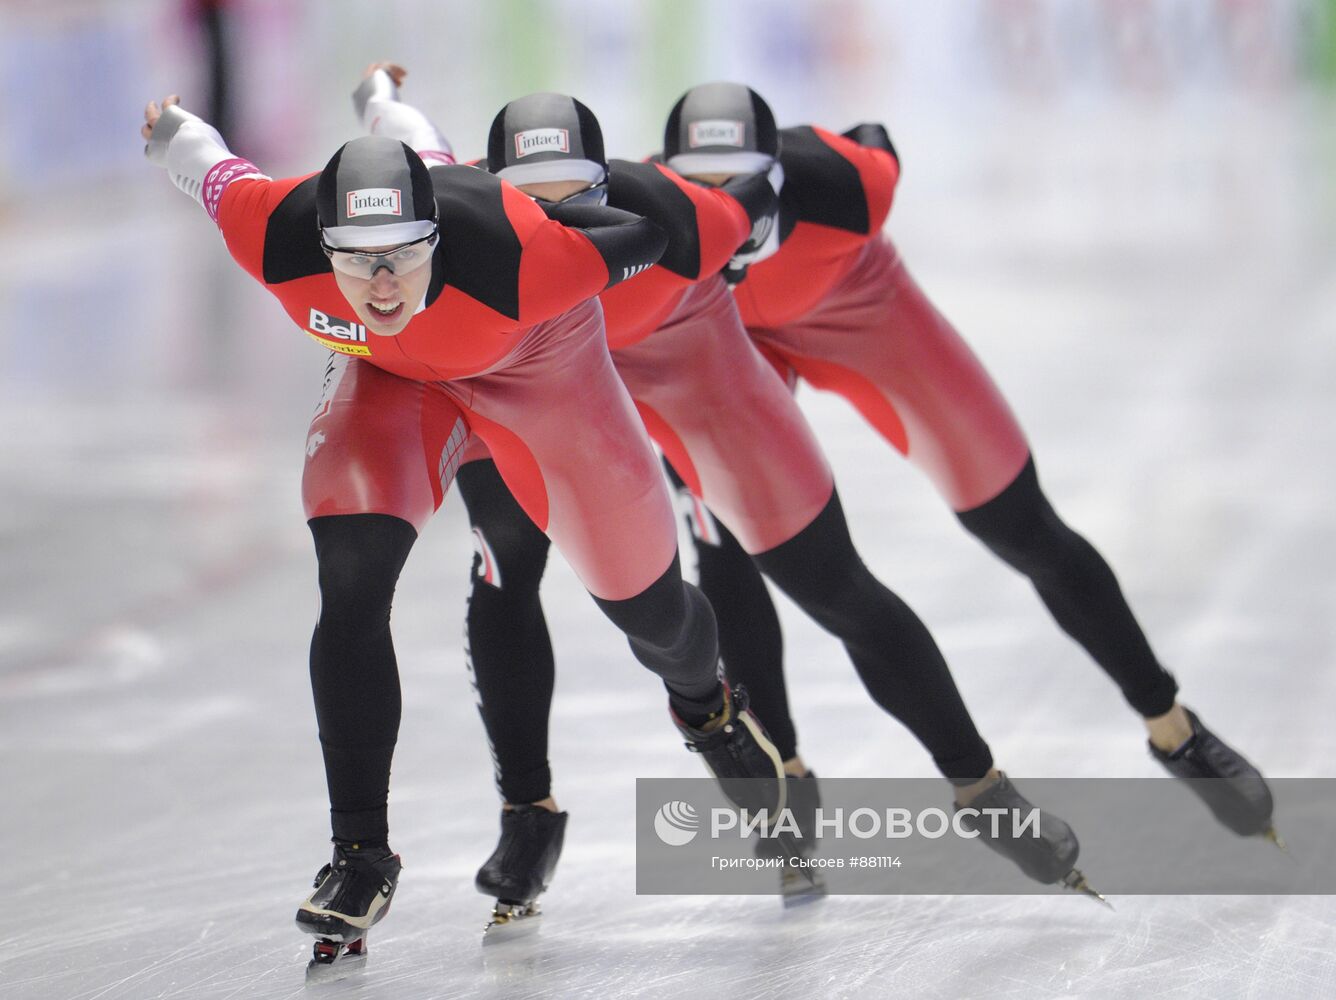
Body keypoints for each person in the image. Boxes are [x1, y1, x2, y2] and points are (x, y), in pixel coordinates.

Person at [353, 69, 1104, 923]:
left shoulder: (677, 220)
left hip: (685, 362)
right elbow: (403, 135)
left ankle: (978, 781)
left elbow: (774, 192)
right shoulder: (459, 222)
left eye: (580, 204)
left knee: (825, 579)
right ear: (491, 197)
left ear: (614, 192)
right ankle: (529, 814)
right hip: (537, 383)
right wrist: (377, 92)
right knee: (504, 560)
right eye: (535, 206)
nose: (561, 228)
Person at [139, 81, 786, 981]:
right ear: (319, 243)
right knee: (352, 572)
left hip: (543, 366)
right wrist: (174, 124)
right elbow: (204, 163)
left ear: (436, 234)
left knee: (650, 613)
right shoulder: (273, 231)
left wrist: (753, 195)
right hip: (393, 381)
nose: (378, 284)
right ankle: (360, 851)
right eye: (354, 260)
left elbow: (674, 231)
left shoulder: (530, 251)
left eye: (400, 256)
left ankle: (707, 707)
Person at [657, 81, 1276, 847]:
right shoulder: (655, 221)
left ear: (780, 173)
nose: (726, 210)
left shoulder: (848, 186)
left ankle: (1172, 724)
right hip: (722, 343)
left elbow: (876, 138)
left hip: (859, 309)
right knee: (724, 542)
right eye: (701, 187)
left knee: (1019, 525)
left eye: (742, 183)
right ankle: (783, 772)